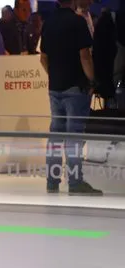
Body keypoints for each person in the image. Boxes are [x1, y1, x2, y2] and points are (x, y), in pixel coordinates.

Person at [40, 0, 102, 195]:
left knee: (56, 137)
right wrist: (93, 80)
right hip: (76, 87)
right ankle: (75, 183)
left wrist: (54, 75)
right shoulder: (77, 22)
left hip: (55, 87)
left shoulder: (48, 22)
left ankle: (52, 181)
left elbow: (43, 57)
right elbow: (85, 55)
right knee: (74, 137)